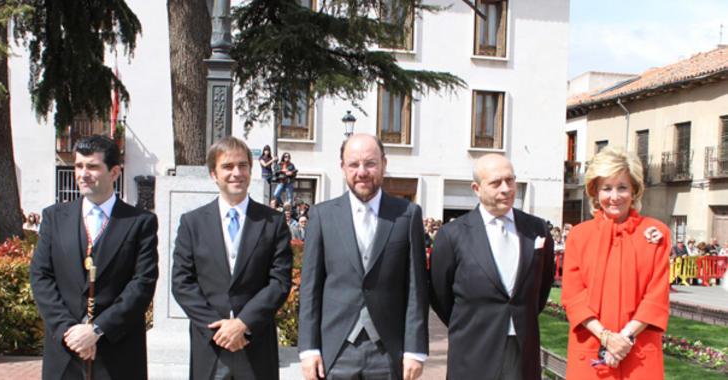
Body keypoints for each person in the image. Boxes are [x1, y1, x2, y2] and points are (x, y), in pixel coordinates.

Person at [299, 134, 428, 380]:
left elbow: (416, 288)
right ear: (342, 167)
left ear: (383, 164)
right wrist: (309, 349)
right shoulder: (322, 216)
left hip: (389, 350)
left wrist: (415, 349)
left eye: (370, 163)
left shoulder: (407, 214)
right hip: (335, 349)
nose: (362, 172)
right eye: (353, 164)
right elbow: (310, 288)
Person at [30, 135, 158, 380]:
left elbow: (142, 284)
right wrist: (70, 330)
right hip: (65, 349)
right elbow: (40, 276)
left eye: (93, 166)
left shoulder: (140, 222)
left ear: (115, 172)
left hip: (117, 351)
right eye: (79, 166)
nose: (83, 173)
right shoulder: (54, 217)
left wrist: (97, 330)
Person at [172, 136, 292, 380]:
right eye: (227, 166)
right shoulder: (193, 223)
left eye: (243, 165)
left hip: (255, 343)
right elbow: (182, 283)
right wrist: (220, 329)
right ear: (213, 174)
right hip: (210, 345)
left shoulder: (273, 222)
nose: (237, 173)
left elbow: (279, 281)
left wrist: (243, 323)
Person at [429, 153, 555, 380]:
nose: (506, 189)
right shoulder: (452, 234)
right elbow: (440, 294)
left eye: (510, 180)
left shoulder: (537, 229)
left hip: (522, 348)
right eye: (496, 183)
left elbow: (542, 286)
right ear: (476, 188)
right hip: (473, 349)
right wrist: (472, 320)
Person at [561, 146, 671, 379]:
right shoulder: (579, 236)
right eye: (606, 188)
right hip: (591, 348)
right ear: (595, 191)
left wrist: (625, 338)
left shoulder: (656, 233)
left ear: (634, 190)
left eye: (622, 188)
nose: (614, 197)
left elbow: (656, 296)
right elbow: (573, 297)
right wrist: (606, 337)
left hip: (639, 353)